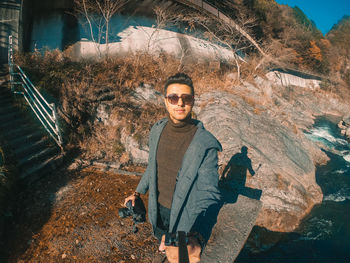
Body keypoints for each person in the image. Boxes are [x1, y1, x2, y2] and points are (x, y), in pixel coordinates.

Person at [124, 73, 222, 263]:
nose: (180, 103)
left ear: (193, 101)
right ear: (165, 101)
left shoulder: (204, 144)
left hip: (185, 217)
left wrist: (197, 233)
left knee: (180, 257)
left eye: (186, 98)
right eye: (173, 98)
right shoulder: (157, 130)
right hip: (158, 211)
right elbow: (152, 167)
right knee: (162, 244)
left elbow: (209, 192)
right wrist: (137, 193)